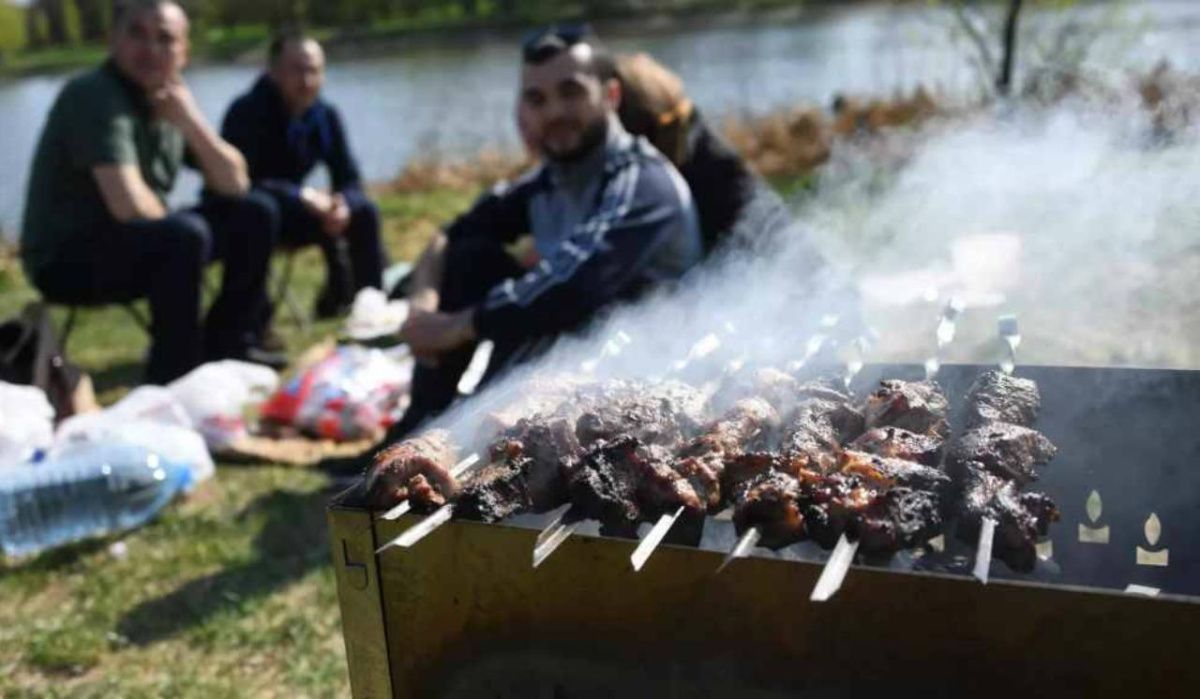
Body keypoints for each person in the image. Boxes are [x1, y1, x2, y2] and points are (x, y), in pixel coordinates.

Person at [391, 25, 701, 438]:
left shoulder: (642, 182)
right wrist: (422, 306)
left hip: (651, 368)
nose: (553, 112)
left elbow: (574, 284)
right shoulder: (549, 181)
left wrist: (457, 327)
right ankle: (422, 425)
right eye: (537, 99)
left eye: (570, 92)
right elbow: (450, 236)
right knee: (472, 257)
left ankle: (469, 433)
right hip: (569, 356)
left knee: (543, 307)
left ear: (610, 96)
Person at [20, 0, 282, 384]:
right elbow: (128, 205)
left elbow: (235, 183)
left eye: (166, 39)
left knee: (256, 212)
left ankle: (229, 345)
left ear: (184, 51)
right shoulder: (95, 95)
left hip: (134, 242)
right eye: (137, 34)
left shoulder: (169, 99)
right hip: (66, 259)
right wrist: (189, 226)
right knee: (184, 235)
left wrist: (190, 121)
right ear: (113, 41)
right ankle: (175, 372)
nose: (152, 49)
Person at [221, 31, 385, 319]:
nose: (307, 80)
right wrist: (302, 196)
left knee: (364, 212)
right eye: (297, 70)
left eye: (314, 71)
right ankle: (252, 322)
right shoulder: (245, 113)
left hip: (297, 212)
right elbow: (241, 183)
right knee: (261, 212)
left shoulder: (324, 115)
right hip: (253, 218)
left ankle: (369, 309)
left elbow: (349, 177)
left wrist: (342, 204)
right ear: (272, 71)